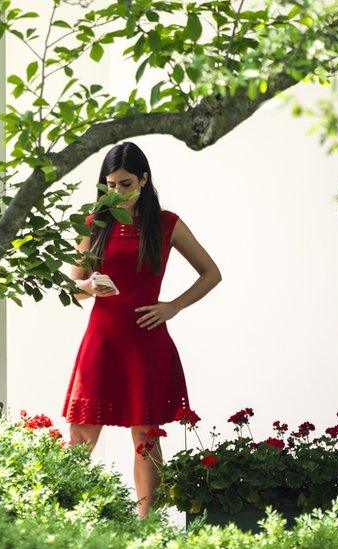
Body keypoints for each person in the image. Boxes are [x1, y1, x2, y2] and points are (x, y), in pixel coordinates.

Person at [60, 141, 223, 519]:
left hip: (145, 341)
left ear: (144, 180)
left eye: (125, 183)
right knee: (82, 435)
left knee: (146, 437)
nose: (117, 192)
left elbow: (212, 273)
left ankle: (147, 529)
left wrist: (173, 306)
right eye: (110, 185)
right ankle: (60, 523)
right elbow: (74, 287)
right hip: (101, 340)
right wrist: (91, 286)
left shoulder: (167, 224)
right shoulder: (94, 222)